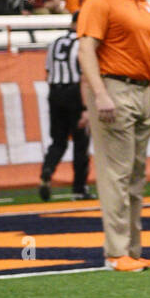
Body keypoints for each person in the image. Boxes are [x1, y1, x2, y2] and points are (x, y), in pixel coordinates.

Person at [77, 0, 150, 272]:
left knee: (134, 176)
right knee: (116, 175)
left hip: (142, 90)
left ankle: (131, 249)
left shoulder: (143, 4)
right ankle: (117, 252)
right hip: (114, 88)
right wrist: (100, 93)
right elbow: (86, 48)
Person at [39, 13, 92, 201]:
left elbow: (47, 74)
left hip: (55, 92)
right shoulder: (82, 44)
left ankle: (48, 169)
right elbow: (85, 76)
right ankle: (79, 188)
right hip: (75, 93)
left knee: (58, 141)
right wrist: (86, 108)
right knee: (81, 143)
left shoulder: (54, 43)